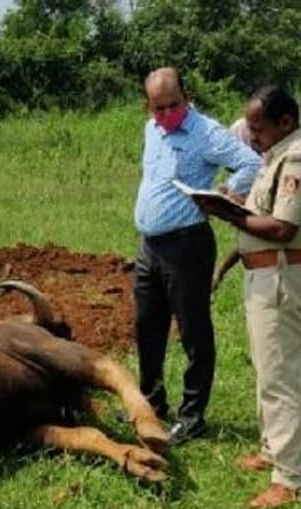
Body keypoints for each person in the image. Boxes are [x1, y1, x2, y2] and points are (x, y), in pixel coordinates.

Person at [132, 67, 259, 445]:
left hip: (187, 245)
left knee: (193, 331)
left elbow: (251, 163)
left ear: (186, 97)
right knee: (146, 327)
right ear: (148, 106)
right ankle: (152, 404)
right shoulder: (151, 130)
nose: (168, 115)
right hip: (149, 244)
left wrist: (224, 194)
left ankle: (192, 416)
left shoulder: (206, 132)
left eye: (174, 106)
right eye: (159, 108)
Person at [193, 85, 301, 509]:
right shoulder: (275, 156)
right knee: (267, 368)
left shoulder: (295, 159)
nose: (251, 136)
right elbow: (264, 215)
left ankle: (289, 477)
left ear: (285, 123)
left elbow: (281, 229)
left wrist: (228, 212)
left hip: (280, 277)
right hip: (265, 275)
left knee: (280, 376)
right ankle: (274, 449)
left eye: (257, 128)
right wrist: (237, 204)